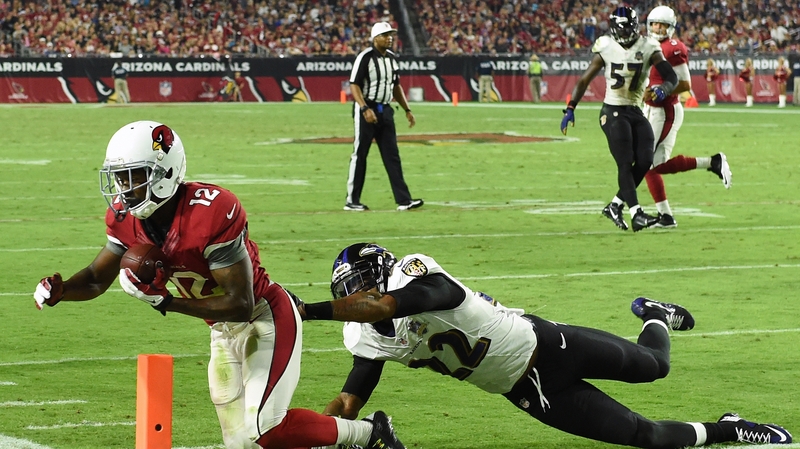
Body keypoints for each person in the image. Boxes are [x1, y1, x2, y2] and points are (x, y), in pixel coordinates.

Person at [32, 121, 407, 449]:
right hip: (221, 330)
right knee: (243, 443)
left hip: (266, 318)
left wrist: (166, 302)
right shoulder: (125, 218)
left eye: (134, 176)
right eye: (120, 176)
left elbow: (240, 303)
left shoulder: (209, 211)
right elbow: (98, 278)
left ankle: (368, 433)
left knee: (265, 428)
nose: (123, 187)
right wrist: (63, 290)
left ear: (164, 172)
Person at [298, 242, 793, 449]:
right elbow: (348, 399)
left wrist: (308, 310)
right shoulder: (363, 332)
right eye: (347, 291)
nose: (352, 297)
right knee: (646, 437)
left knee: (655, 366)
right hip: (524, 389)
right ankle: (730, 429)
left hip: (547, 342)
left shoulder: (416, 274)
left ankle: (658, 317)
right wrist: (325, 436)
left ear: (381, 276)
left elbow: (386, 307)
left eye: (360, 285)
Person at [561, 6, 678, 232]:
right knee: (625, 161)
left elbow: (671, 76)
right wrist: (570, 108)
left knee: (645, 161)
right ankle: (636, 213)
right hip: (612, 111)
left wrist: (664, 88)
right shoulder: (605, 46)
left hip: (635, 110)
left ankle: (615, 205)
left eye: (628, 29)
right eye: (621, 30)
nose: (625, 34)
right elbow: (584, 80)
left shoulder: (649, 46)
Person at [642, 6, 733, 228]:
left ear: (670, 27)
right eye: (654, 23)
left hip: (665, 111)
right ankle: (712, 163)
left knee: (645, 163)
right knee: (653, 166)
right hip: (650, 108)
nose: (657, 28)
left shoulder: (673, 48)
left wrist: (662, 89)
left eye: (662, 25)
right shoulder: (647, 45)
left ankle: (660, 214)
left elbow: (684, 84)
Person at [344, 22, 423, 212]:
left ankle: (404, 200)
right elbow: (354, 84)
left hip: (386, 109)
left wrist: (407, 109)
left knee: (392, 156)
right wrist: (364, 108)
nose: (389, 38)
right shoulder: (365, 57)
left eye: (391, 35)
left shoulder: (392, 59)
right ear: (375, 38)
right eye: (385, 35)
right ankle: (352, 200)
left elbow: (396, 86)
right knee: (360, 154)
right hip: (367, 108)